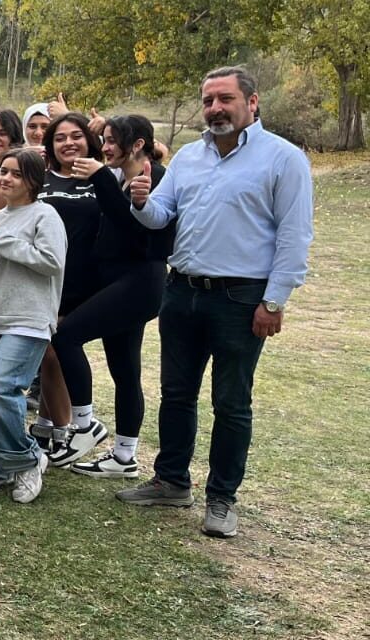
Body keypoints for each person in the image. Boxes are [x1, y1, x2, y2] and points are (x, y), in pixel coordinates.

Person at [116, 66, 313, 539]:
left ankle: (222, 498)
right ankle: (171, 481)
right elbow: (163, 214)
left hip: (242, 299)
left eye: (225, 99)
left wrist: (275, 301)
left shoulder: (283, 159)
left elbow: (294, 235)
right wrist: (141, 201)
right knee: (177, 394)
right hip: (182, 290)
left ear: (252, 101)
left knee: (232, 403)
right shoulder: (189, 157)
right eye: (208, 101)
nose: (215, 109)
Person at [49, 115, 172, 477]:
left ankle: (85, 424)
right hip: (117, 280)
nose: (104, 148)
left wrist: (99, 177)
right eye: (102, 140)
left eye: (111, 141)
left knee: (67, 335)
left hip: (141, 281)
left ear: (136, 145)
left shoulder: (156, 179)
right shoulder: (118, 175)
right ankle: (124, 457)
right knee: (125, 370)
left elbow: (136, 233)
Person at [0, 148, 67, 504]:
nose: (6, 178)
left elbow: (51, 262)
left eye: (16, 174)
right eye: (4, 172)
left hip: (28, 319)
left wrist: (5, 242)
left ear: (34, 181)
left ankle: (26, 460)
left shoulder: (45, 215)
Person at [27, 112, 106, 460]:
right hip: (42, 278)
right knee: (45, 352)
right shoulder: (41, 180)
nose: (68, 143)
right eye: (60, 138)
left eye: (76, 136)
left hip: (83, 280)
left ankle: (67, 428)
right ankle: (48, 424)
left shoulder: (100, 179)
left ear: (90, 141)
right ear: (50, 146)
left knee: (56, 348)